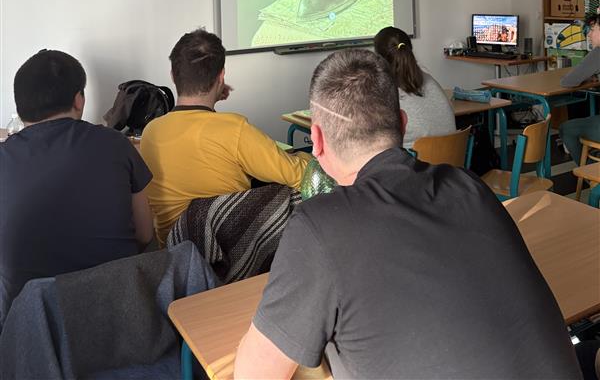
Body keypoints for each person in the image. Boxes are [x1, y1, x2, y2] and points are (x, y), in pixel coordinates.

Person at [234, 49, 581, 380]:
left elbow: (255, 373)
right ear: (402, 123)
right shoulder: (469, 185)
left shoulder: (319, 226)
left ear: (317, 140)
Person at [0, 50, 154, 326]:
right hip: (119, 318)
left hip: (31, 328)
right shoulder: (116, 144)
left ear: (20, 107)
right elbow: (144, 234)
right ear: (78, 99)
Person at [140, 28, 310, 246]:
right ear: (221, 76)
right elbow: (300, 176)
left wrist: (212, 96)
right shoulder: (234, 130)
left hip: (174, 252)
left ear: (173, 75)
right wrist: (310, 158)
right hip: (228, 252)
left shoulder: (151, 132)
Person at [373, 26, 455, 150]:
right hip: (451, 158)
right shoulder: (429, 79)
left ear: (378, 58)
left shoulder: (385, 90)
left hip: (416, 161)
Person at [559, 13, 600, 163]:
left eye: (593, 29)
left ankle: (589, 174)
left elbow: (568, 81)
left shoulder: (598, 53)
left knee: (566, 129)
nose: (589, 34)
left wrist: (586, 76)